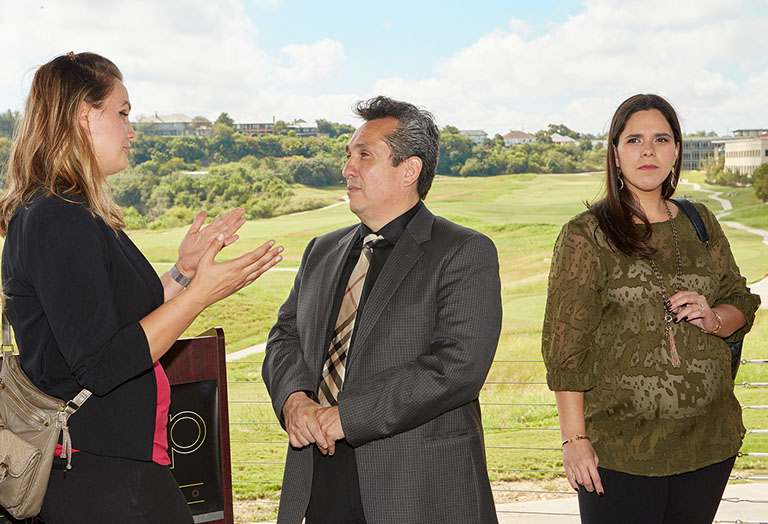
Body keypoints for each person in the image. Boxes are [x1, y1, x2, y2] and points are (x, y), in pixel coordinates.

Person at [0, 52, 283, 523]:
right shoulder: (59, 218)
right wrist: (200, 296)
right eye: (123, 113)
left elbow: (121, 320)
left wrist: (184, 273)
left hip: (115, 464)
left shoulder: (71, 212)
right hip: (99, 473)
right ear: (83, 116)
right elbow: (101, 364)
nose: (132, 131)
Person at [262, 96, 502, 523]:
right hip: (319, 482)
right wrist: (294, 401)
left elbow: (458, 366)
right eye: (348, 156)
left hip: (417, 491)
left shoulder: (464, 251)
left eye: (364, 156)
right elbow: (285, 336)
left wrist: (346, 417)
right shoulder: (322, 250)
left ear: (409, 170)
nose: (347, 169)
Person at [541, 93, 761, 524]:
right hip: (619, 452)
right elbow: (566, 346)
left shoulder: (700, 222)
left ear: (676, 151)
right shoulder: (586, 234)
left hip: (708, 443)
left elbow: (741, 300)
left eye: (661, 139)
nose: (648, 151)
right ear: (615, 153)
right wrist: (574, 439)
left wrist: (714, 318)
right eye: (634, 140)